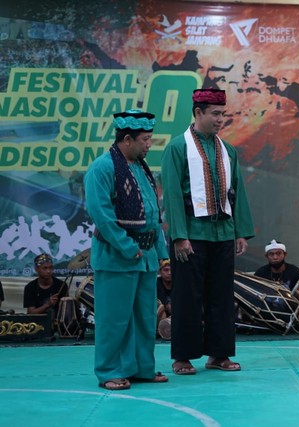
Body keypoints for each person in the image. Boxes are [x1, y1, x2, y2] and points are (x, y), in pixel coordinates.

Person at [161, 88, 255, 375]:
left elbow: (236, 191)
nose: (220, 119)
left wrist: (240, 231)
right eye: (215, 114)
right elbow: (173, 195)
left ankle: (219, 354)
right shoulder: (177, 147)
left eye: (222, 114)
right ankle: (183, 357)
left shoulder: (228, 150)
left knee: (222, 296)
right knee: (187, 297)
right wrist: (179, 235)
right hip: (191, 233)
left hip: (223, 233)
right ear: (198, 113)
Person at [84, 110, 169, 391]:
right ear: (128, 139)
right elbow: (102, 215)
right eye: (145, 140)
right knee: (114, 319)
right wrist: (127, 247)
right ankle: (109, 371)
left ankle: (142, 368)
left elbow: (153, 215)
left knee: (145, 317)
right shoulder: (102, 168)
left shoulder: (141, 168)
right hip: (117, 256)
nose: (149, 145)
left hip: (145, 259)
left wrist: (160, 251)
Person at [23, 253, 68, 318]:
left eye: (50, 268)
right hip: (37, 324)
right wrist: (48, 304)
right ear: (36, 269)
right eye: (45, 268)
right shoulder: (30, 287)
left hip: (57, 324)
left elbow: (66, 311)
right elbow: (31, 313)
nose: (48, 271)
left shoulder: (61, 285)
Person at [156, 259, 172, 339]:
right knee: (161, 307)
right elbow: (163, 304)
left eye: (171, 270)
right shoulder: (156, 283)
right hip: (161, 315)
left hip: (175, 314)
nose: (169, 273)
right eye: (166, 270)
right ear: (160, 272)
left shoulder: (179, 283)